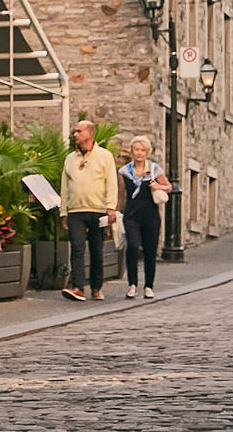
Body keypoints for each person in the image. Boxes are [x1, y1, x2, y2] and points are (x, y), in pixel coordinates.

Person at [58, 120, 118, 301]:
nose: (75, 134)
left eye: (79, 131)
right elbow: (65, 187)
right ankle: (78, 287)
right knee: (76, 248)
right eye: (75, 131)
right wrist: (64, 212)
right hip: (76, 210)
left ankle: (96, 287)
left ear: (90, 134)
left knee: (96, 249)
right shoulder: (70, 158)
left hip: (98, 210)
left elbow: (112, 182)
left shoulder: (105, 156)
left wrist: (111, 208)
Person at [118, 135, 166, 300]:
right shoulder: (125, 171)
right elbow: (120, 194)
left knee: (150, 250)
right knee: (132, 246)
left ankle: (148, 286)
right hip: (131, 215)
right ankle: (132, 284)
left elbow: (168, 187)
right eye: (136, 150)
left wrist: (158, 186)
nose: (139, 153)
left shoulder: (154, 169)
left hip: (150, 216)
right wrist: (115, 212)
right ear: (132, 151)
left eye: (142, 150)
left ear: (147, 152)